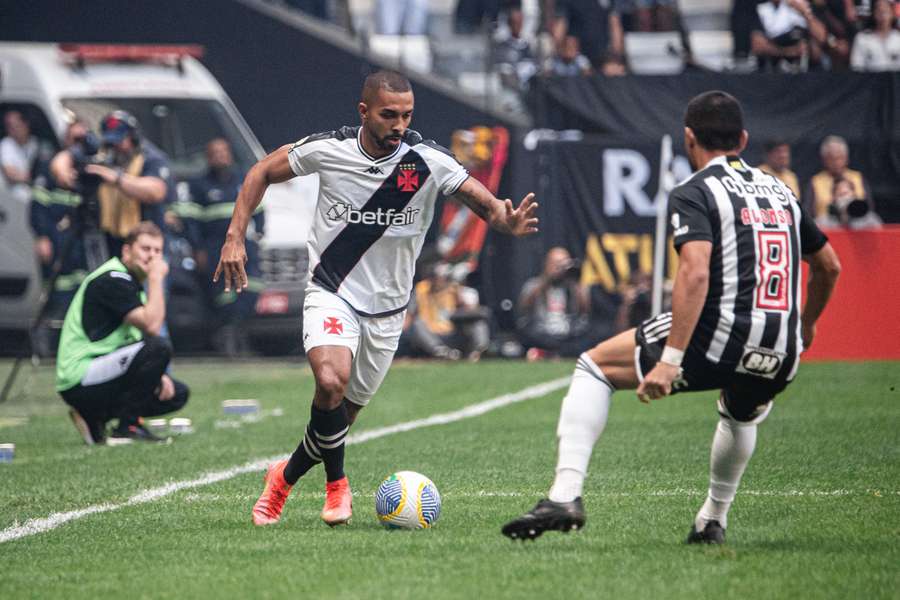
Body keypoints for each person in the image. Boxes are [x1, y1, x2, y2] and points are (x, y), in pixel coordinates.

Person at [501, 91, 841, 544]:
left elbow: (695, 272)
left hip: (718, 333)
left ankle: (564, 495)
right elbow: (829, 265)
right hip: (780, 347)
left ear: (688, 139)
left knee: (594, 367)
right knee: (740, 416)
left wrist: (671, 358)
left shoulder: (695, 190)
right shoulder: (782, 191)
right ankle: (712, 521)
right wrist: (808, 322)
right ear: (743, 138)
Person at [214, 70, 538, 527]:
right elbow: (262, 170)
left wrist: (505, 221)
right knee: (330, 381)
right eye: (389, 115)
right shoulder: (330, 149)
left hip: (387, 311)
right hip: (332, 292)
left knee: (339, 418)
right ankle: (337, 487)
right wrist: (235, 237)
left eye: (406, 115)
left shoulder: (426, 162)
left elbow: (486, 206)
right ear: (364, 112)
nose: (399, 124)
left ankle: (282, 479)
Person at [56, 222, 190, 445]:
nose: (153, 257)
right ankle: (127, 426)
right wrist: (157, 279)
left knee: (177, 392)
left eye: (157, 251)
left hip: (99, 370)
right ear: (127, 251)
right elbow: (152, 327)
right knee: (159, 347)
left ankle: (94, 417)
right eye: (145, 249)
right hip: (80, 374)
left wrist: (156, 374)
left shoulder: (129, 281)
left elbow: (137, 339)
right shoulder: (113, 278)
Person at [51, 110, 174, 257]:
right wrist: (63, 173)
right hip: (112, 241)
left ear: (132, 138)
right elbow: (64, 157)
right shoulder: (105, 151)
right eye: (111, 142)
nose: (115, 146)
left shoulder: (151, 158)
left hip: (146, 244)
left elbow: (156, 191)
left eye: (120, 141)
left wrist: (117, 178)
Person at [184, 138, 265, 355]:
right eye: (215, 152)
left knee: (252, 288)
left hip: (244, 245)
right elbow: (191, 220)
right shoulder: (199, 185)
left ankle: (237, 335)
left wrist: (259, 233)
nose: (221, 156)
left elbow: (259, 208)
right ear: (208, 157)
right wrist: (197, 248)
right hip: (215, 247)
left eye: (224, 152)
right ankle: (230, 343)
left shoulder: (243, 179)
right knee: (225, 294)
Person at [403, 262, 491, 361]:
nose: (438, 280)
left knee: (477, 322)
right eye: (435, 277)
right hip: (432, 334)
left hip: (452, 333)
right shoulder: (422, 289)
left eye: (442, 278)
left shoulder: (455, 289)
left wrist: (460, 298)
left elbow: (470, 311)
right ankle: (441, 352)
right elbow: (409, 315)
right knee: (417, 323)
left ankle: (477, 351)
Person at [517, 246, 591, 359]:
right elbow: (524, 307)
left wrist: (576, 282)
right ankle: (553, 352)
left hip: (567, 334)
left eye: (564, 264)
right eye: (557, 263)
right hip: (542, 333)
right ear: (547, 264)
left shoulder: (572, 286)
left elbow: (585, 309)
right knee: (526, 335)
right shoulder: (535, 284)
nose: (560, 267)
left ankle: (548, 353)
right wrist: (547, 277)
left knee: (588, 338)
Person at [805, 135, 874, 221]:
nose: (836, 162)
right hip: (826, 227)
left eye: (840, 158)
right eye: (832, 158)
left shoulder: (858, 178)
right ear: (824, 160)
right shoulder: (815, 182)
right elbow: (808, 213)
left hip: (857, 227)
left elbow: (869, 208)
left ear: (846, 158)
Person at [750, 0, 829, 72]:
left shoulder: (802, 5)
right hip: (773, 74)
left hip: (806, 73)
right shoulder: (762, 9)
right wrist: (791, 51)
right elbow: (757, 46)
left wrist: (805, 14)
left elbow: (822, 38)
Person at [851, 0, 900, 70]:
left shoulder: (898, 38)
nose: (883, 16)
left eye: (885, 12)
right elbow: (856, 68)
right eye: (879, 12)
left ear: (892, 14)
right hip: (869, 79)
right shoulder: (862, 38)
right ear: (873, 14)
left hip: (895, 79)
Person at [1, 110, 39, 188]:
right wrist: (33, 178)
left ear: (26, 124)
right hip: (12, 193)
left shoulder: (35, 143)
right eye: (9, 127)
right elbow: (10, 173)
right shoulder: (5, 145)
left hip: (33, 190)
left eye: (17, 126)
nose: (13, 130)